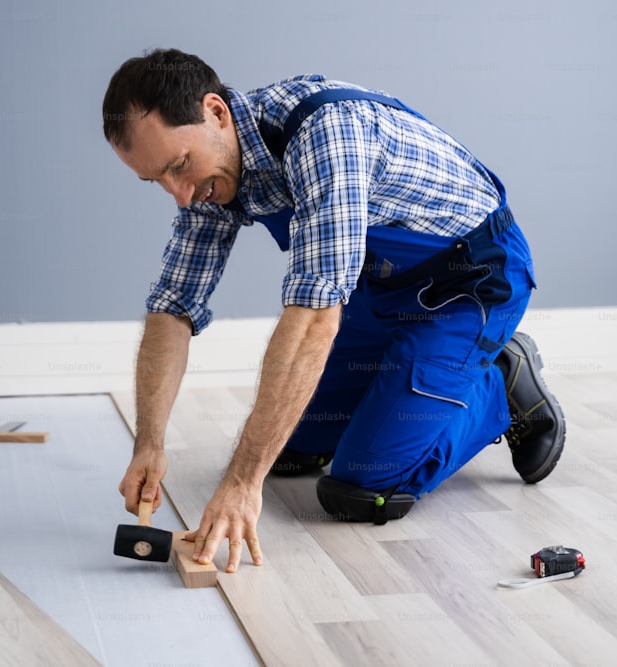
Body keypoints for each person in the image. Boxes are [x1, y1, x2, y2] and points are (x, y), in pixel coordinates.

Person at [102, 48, 566, 574]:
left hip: (469, 286)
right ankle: (407, 385)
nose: (181, 197)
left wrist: (241, 483)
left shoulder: (325, 136)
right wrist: (149, 443)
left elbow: (313, 320)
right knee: (288, 450)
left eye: (180, 167)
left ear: (216, 112)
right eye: (158, 180)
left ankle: (502, 383)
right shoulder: (210, 179)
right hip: (377, 292)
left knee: (363, 484)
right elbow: (173, 307)